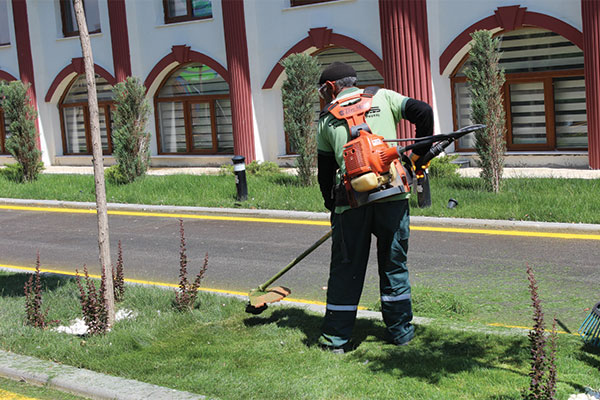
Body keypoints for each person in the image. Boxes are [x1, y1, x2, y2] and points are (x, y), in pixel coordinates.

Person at [316, 61, 433, 352]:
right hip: (393, 198)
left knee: (346, 270)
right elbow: (424, 113)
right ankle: (401, 332)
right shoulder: (384, 97)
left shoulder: (326, 120)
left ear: (330, 88)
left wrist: (334, 208)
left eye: (322, 91)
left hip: (350, 204)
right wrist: (417, 156)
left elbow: (325, 173)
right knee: (394, 265)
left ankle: (336, 341)